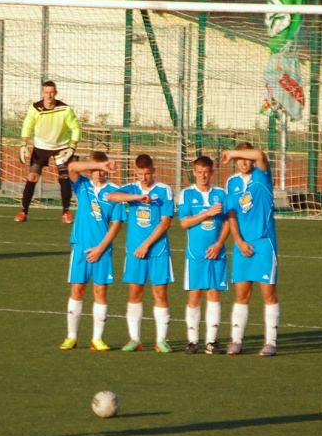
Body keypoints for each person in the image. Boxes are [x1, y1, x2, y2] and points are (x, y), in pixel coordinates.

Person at [108, 154, 175, 353]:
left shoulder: (164, 190)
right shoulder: (133, 188)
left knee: (159, 293)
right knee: (135, 292)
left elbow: (165, 222)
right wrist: (137, 198)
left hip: (157, 250)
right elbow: (110, 196)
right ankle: (135, 339)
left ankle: (161, 340)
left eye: (147, 174)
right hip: (134, 252)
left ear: (153, 170)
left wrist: (146, 245)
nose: (144, 178)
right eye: (140, 174)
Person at [59, 152, 123, 351]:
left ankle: (97, 338)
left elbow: (116, 224)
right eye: (95, 169)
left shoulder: (114, 191)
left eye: (101, 170)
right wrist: (98, 164)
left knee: (100, 291)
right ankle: (71, 336)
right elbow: (70, 168)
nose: (98, 173)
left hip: (102, 250)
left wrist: (101, 248)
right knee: (77, 290)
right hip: (80, 247)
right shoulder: (83, 185)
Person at [222, 142, 280, 357]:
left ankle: (271, 343)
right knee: (241, 294)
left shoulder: (262, 175)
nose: (244, 162)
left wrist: (233, 152)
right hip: (242, 245)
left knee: (268, 293)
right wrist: (238, 241)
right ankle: (237, 340)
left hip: (264, 243)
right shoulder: (232, 182)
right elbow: (231, 214)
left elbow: (260, 154)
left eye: (246, 158)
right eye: (240, 160)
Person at [178, 155, 229, 355]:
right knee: (195, 294)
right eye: (199, 172)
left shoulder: (221, 194)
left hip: (217, 253)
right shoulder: (187, 194)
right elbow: (184, 223)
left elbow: (228, 223)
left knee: (214, 294)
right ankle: (192, 341)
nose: (203, 176)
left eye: (206, 172)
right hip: (195, 254)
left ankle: (211, 342)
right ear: (194, 172)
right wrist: (206, 213)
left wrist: (219, 244)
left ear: (212, 172)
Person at [15, 80, 82, 224]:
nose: (49, 95)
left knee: (64, 178)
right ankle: (23, 211)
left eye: (52, 92)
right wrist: (23, 144)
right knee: (32, 176)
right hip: (40, 147)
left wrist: (72, 147)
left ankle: (66, 213)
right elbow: (27, 125)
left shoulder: (65, 109)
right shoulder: (35, 108)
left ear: (56, 93)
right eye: (46, 92)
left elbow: (76, 128)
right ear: (42, 93)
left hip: (61, 148)